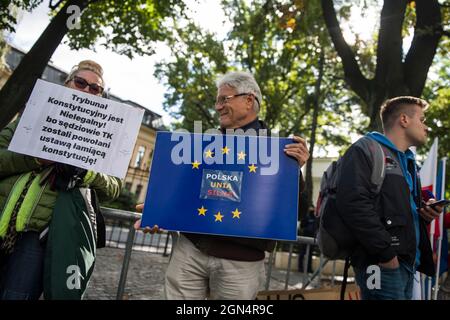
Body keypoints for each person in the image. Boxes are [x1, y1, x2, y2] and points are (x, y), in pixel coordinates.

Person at [135, 71, 309, 299]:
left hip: (241, 265)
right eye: (217, 100)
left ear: (249, 100)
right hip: (190, 253)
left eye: (224, 99)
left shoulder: (280, 153)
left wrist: (295, 172)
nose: (217, 107)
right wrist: (157, 215)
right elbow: (180, 195)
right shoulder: (199, 146)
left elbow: (298, 212)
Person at [0, 60, 122, 300]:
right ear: (67, 85)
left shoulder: (104, 136)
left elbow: (114, 187)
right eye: (81, 83)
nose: (87, 90)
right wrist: (34, 158)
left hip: (37, 238)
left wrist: (84, 171)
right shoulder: (30, 118)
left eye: (95, 89)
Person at [336, 96, 444, 300]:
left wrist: (424, 215)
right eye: (422, 120)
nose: (426, 127)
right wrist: (387, 255)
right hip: (382, 265)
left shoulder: (409, 162)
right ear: (404, 120)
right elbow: (353, 204)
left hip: (403, 266)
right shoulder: (365, 149)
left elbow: (390, 211)